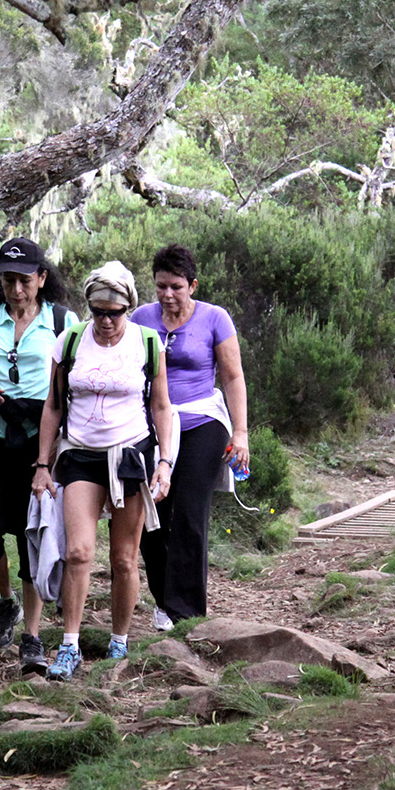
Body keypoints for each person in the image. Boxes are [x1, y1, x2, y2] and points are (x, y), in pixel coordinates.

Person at [31, 261, 176, 681]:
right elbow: (53, 405)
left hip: (129, 456)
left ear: (128, 308)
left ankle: (118, 641)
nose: (107, 321)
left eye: (115, 312)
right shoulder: (70, 340)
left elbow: (161, 406)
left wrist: (164, 462)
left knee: (124, 559)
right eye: (99, 311)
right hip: (80, 455)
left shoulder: (148, 343)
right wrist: (43, 464)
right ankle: (70, 645)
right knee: (78, 552)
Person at [0, 237, 74, 676]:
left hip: (38, 439)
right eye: (7, 281)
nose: (16, 290)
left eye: (24, 280)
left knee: (31, 536)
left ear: (42, 279)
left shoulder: (63, 322)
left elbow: (70, 388)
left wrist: (54, 454)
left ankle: (33, 639)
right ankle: (5, 602)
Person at [132, 243, 249, 629]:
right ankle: (165, 600)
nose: (168, 295)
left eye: (176, 287)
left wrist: (242, 432)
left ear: (192, 285)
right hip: (149, 423)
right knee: (150, 513)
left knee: (188, 512)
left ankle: (187, 613)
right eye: (161, 286)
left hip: (202, 420)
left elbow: (232, 376)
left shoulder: (216, 319)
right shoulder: (139, 318)